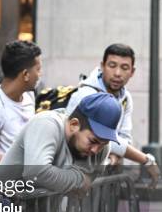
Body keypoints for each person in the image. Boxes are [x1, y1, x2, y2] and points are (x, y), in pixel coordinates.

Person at [66, 43, 160, 187]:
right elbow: (74, 135)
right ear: (102, 66)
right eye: (112, 65)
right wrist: (146, 159)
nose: (117, 73)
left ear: (132, 72)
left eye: (124, 68)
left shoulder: (125, 98)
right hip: (73, 169)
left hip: (102, 171)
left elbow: (124, 137)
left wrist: (115, 153)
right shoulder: (86, 94)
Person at [0, 40, 43, 169]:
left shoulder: (29, 97)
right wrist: (25, 161)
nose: (40, 74)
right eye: (38, 69)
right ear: (26, 74)